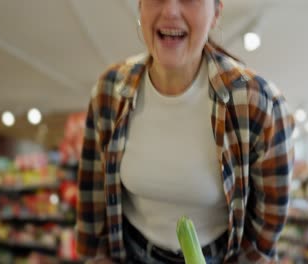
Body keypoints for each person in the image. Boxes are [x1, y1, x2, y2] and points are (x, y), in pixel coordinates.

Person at [76, 0, 295, 263]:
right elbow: (93, 199)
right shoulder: (109, 91)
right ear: (140, 7)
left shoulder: (259, 103)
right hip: (130, 253)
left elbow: (265, 232)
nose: (170, 10)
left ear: (216, 13)